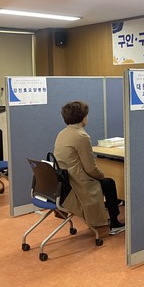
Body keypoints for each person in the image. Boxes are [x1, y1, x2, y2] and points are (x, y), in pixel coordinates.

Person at [54, 100, 125, 235]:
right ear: (83, 117)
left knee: (106, 182)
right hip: (78, 183)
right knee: (109, 182)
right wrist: (102, 175)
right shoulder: (82, 136)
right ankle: (115, 223)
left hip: (66, 181)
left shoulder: (62, 133)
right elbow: (90, 169)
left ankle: (104, 213)